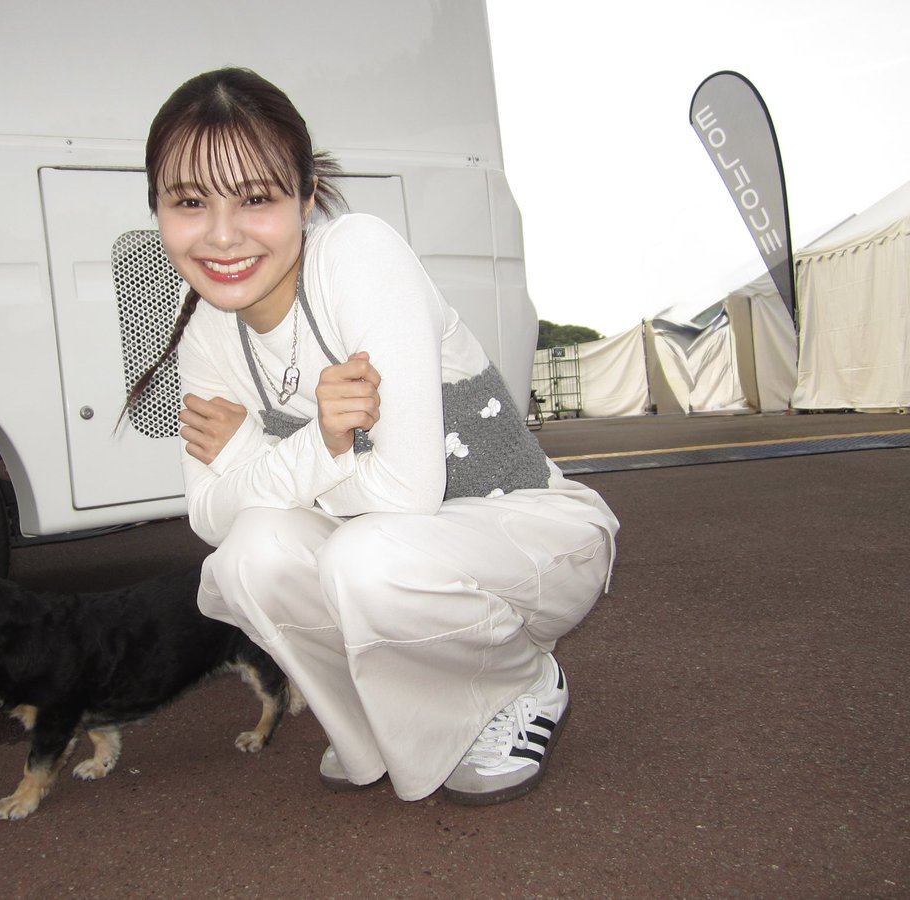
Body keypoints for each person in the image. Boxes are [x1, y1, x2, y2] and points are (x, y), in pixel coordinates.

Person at [128, 67, 619, 805]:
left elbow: (406, 493)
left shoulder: (356, 256)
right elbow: (210, 515)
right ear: (157, 209)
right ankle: (380, 721)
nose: (222, 235)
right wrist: (317, 445)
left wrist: (254, 457)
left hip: (530, 541)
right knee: (253, 555)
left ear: (306, 198)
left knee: (364, 556)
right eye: (190, 202)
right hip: (400, 546)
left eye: (256, 198)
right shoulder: (205, 332)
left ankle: (521, 679)